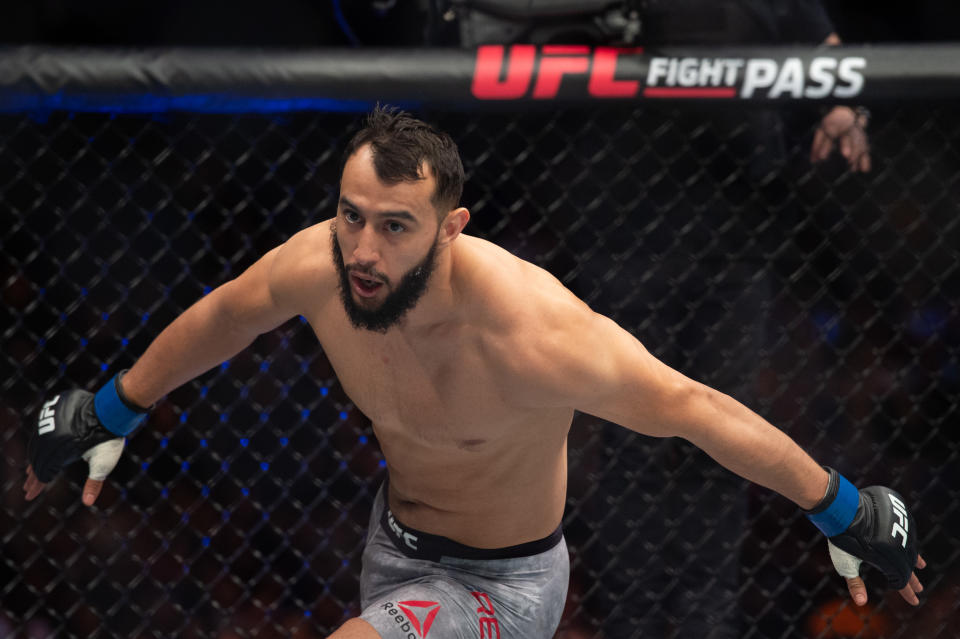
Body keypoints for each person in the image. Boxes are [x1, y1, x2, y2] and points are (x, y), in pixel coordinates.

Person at [25, 107, 924, 639]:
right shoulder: (317, 265)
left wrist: (842, 505)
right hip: (394, 544)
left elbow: (690, 405)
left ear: (451, 227)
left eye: (395, 226)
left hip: (504, 583)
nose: (363, 249)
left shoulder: (536, 333)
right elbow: (223, 316)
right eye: (351, 215)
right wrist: (111, 407)